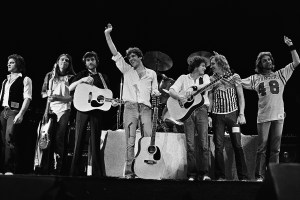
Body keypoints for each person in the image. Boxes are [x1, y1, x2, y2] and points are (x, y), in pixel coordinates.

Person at [104, 23, 160, 179]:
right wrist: (108, 34)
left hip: (146, 108)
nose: (131, 59)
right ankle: (129, 172)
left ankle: (146, 169)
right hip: (129, 108)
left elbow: (155, 89)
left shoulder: (151, 73)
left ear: (140, 57)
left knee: (148, 138)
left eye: (134, 56)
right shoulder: (127, 70)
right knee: (130, 141)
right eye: (129, 57)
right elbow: (115, 53)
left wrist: (156, 94)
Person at [241, 36, 300, 182]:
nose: (268, 61)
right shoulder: (255, 78)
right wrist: (226, 73)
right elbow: (238, 82)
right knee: (262, 149)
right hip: (263, 117)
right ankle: (259, 176)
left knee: (276, 149)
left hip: (279, 116)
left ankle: (274, 176)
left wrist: (291, 46)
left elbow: (297, 62)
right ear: (260, 63)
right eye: (264, 60)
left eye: (269, 59)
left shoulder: (280, 74)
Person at [168, 56, 211, 181]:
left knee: (204, 143)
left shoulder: (205, 78)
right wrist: (179, 97)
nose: (205, 68)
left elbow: (208, 85)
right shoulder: (183, 78)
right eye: (203, 65)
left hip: (202, 110)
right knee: (190, 144)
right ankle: (191, 174)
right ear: (196, 66)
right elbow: (171, 91)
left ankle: (205, 173)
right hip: (187, 113)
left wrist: (194, 88)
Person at [69, 51, 111, 177]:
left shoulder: (103, 77)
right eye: (88, 60)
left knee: (95, 141)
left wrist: (112, 102)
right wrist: (82, 80)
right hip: (82, 109)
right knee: (79, 139)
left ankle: (97, 173)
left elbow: (107, 95)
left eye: (92, 59)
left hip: (97, 111)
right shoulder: (82, 74)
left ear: (96, 61)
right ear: (85, 63)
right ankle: (74, 172)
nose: (90, 62)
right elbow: (70, 88)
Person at [208, 52, 249, 181]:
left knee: (237, 144)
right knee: (218, 146)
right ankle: (220, 176)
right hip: (217, 115)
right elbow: (210, 98)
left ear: (220, 63)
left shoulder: (234, 77)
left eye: (213, 64)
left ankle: (243, 176)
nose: (211, 66)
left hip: (233, 114)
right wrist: (209, 115)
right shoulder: (211, 79)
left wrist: (241, 114)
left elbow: (241, 96)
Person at [39, 53, 76, 175]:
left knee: (60, 138)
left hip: (65, 110)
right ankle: (45, 167)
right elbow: (43, 93)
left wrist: (58, 98)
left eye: (67, 60)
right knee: (47, 138)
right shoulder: (50, 76)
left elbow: (72, 98)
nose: (64, 62)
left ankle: (58, 168)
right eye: (62, 59)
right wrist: (48, 97)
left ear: (69, 64)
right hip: (50, 110)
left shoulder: (71, 77)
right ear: (57, 61)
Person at [0, 54, 32, 175]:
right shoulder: (5, 81)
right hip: (4, 111)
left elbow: (27, 98)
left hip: (15, 111)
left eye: (12, 62)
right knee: (3, 141)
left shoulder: (25, 79)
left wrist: (21, 114)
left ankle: (10, 169)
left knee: (10, 139)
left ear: (18, 65)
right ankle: (2, 169)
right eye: (8, 62)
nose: (8, 64)